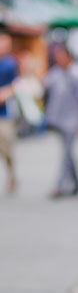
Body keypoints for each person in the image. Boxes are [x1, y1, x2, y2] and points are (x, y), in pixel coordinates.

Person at [44, 44, 78, 198]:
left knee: (67, 151)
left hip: (74, 119)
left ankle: (60, 185)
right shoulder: (55, 73)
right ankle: (77, 182)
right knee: (68, 152)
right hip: (57, 119)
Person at [0, 32, 18, 193]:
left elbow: (15, 85)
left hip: (5, 113)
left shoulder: (10, 64)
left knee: (6, 148)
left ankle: (11, 175)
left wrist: (5, 93)